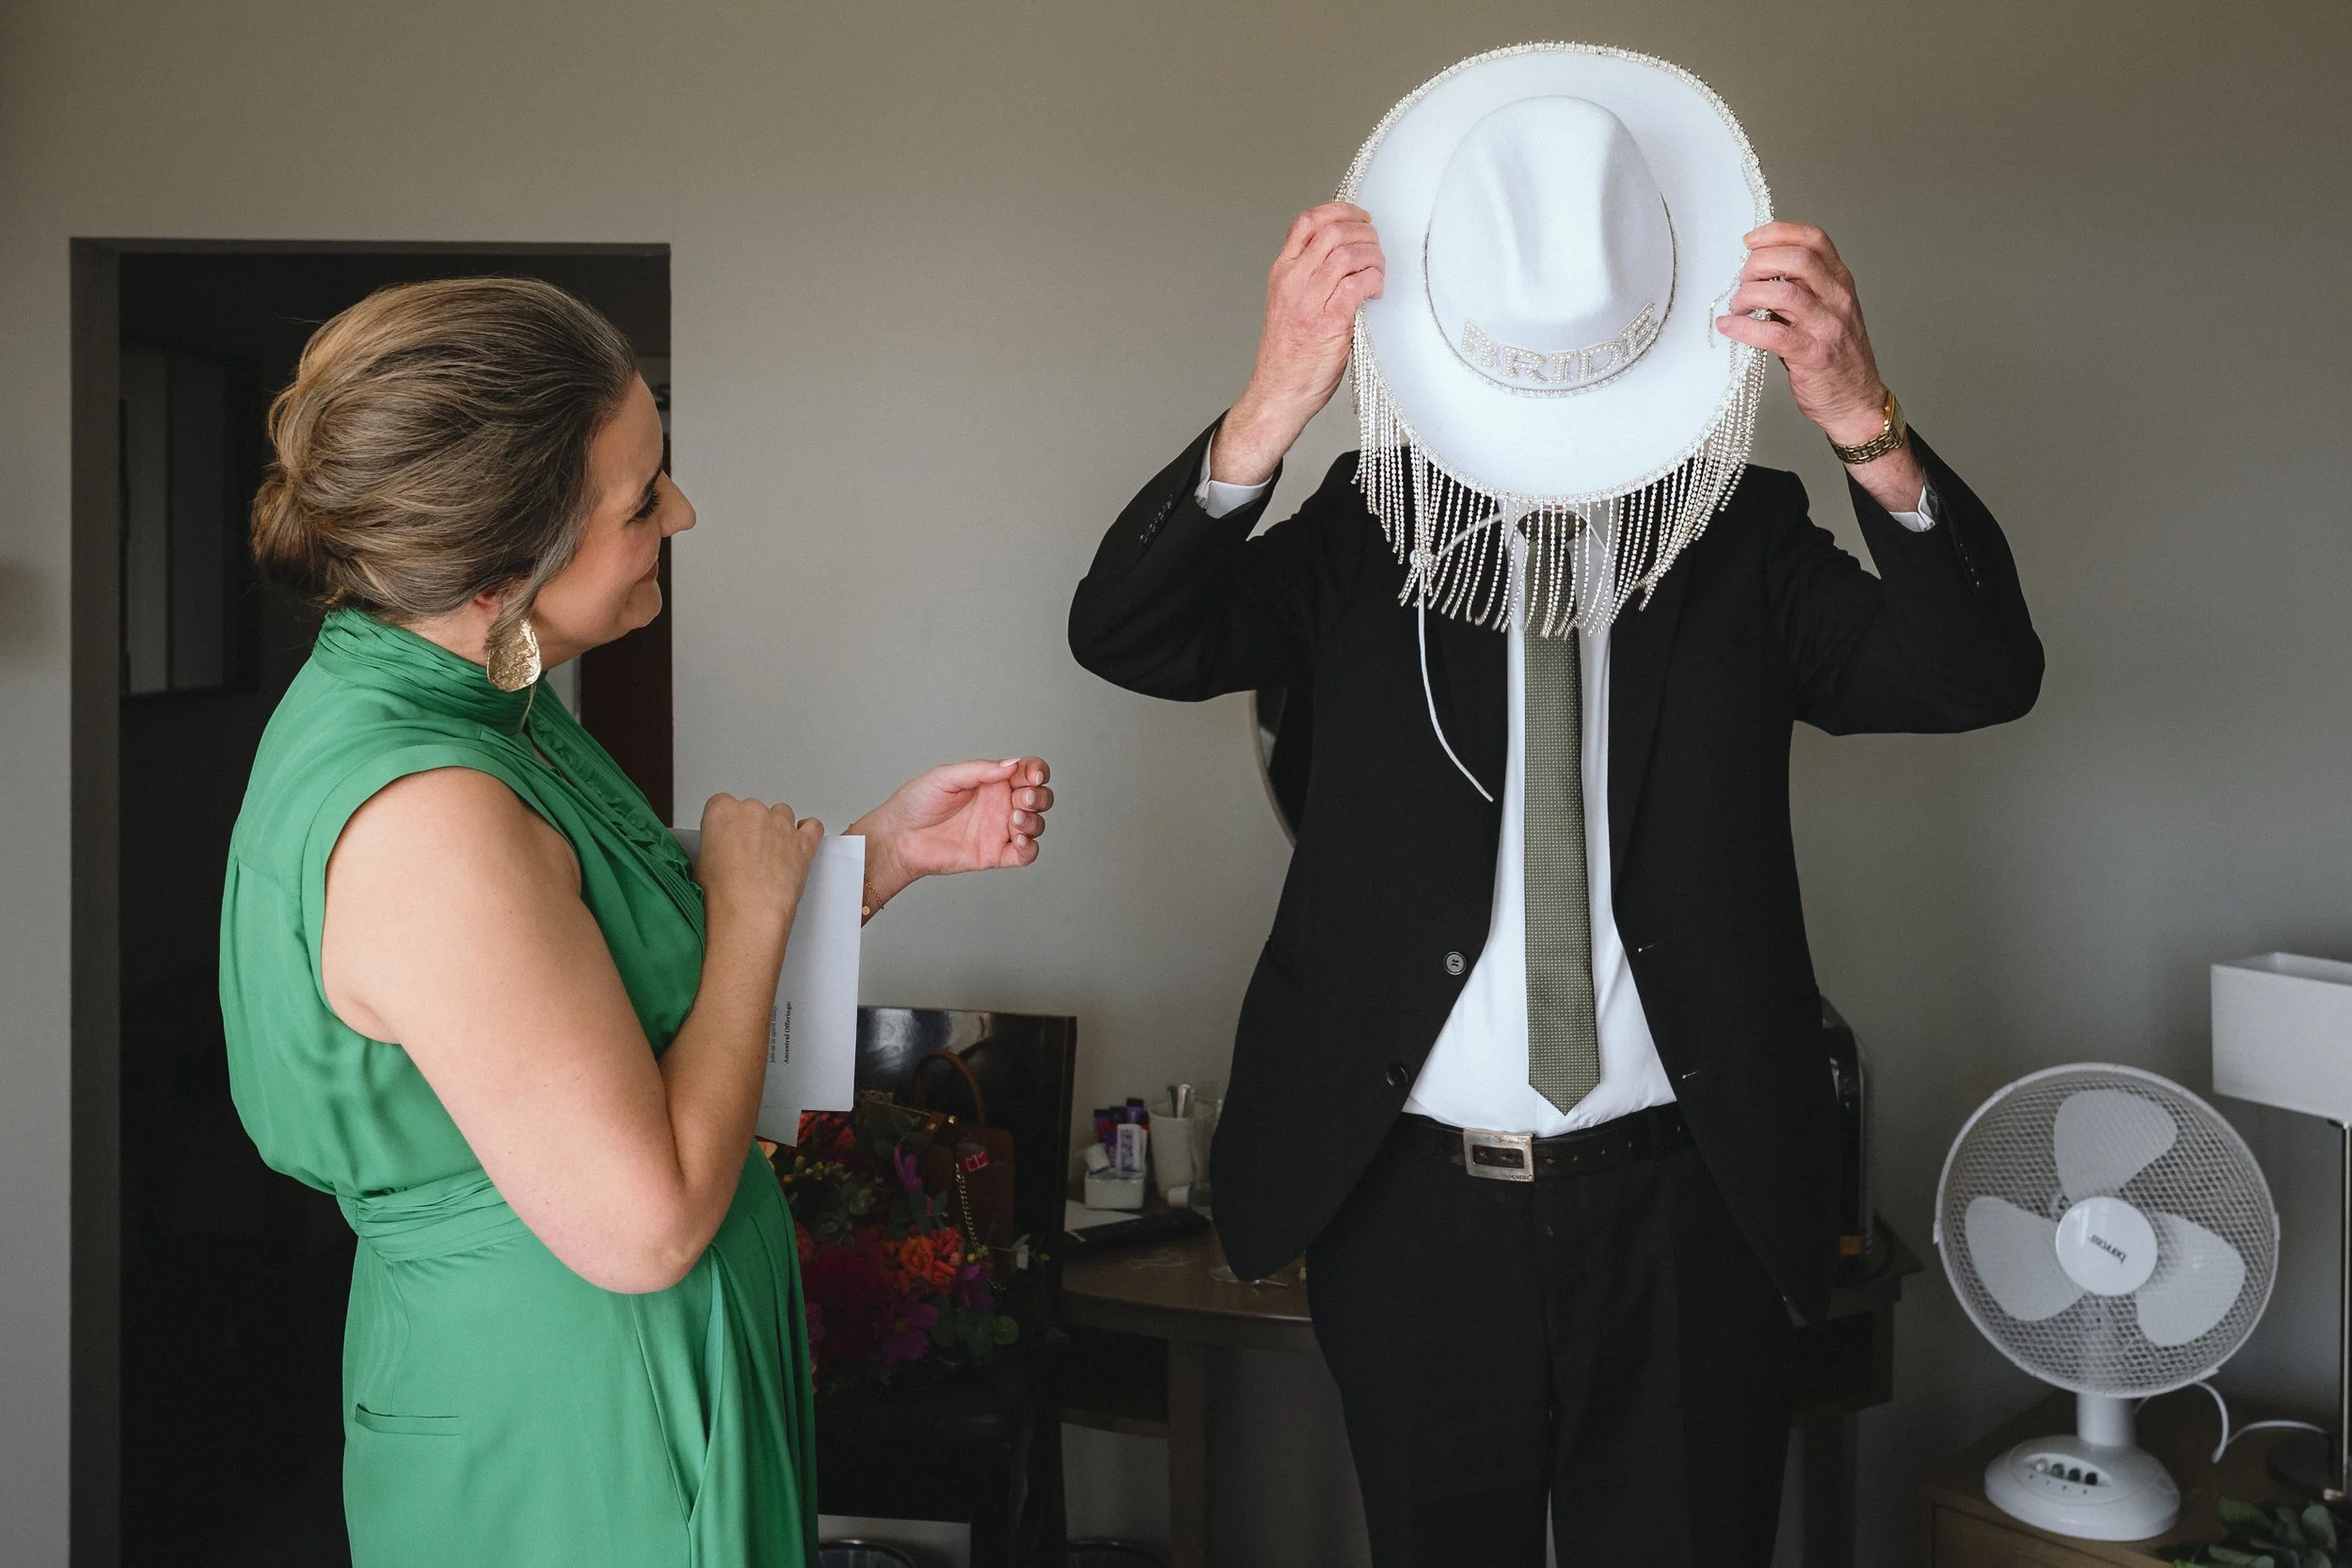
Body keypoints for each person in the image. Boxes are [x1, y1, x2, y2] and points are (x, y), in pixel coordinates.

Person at [1068, 44, 2041, 1567]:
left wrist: (1865, 419)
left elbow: (1978, 670)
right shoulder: (1367, 528)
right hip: (1412, 1211)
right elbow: (1128, 634)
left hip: (1688, 1203)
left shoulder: (1740, 536)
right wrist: (1269, 406)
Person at [220, 276, 1055, 1567]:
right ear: (500, 574)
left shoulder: (488, 705)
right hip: (573, 1422)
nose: (684, 511)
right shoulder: (425, 818)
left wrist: (873, 860)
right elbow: (644, 1224)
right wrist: (755, 914)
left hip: (625, 1380)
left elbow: (606, 966)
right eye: (641, 499)